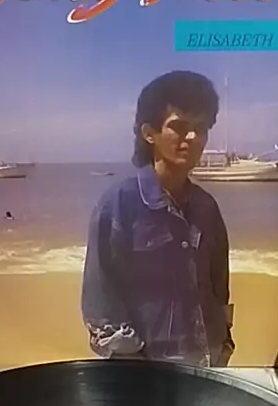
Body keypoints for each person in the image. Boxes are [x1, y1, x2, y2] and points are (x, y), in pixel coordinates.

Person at [82, 70, 234, 367]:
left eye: (201, 128)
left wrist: (223, 345)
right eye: (179, 127)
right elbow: (102, 303)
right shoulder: (119, 204)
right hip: (147, 374)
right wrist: (137, 367)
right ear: (149, 133)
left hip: (208, 367)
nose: (192, 137)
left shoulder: (207, 207)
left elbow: (219, 288)